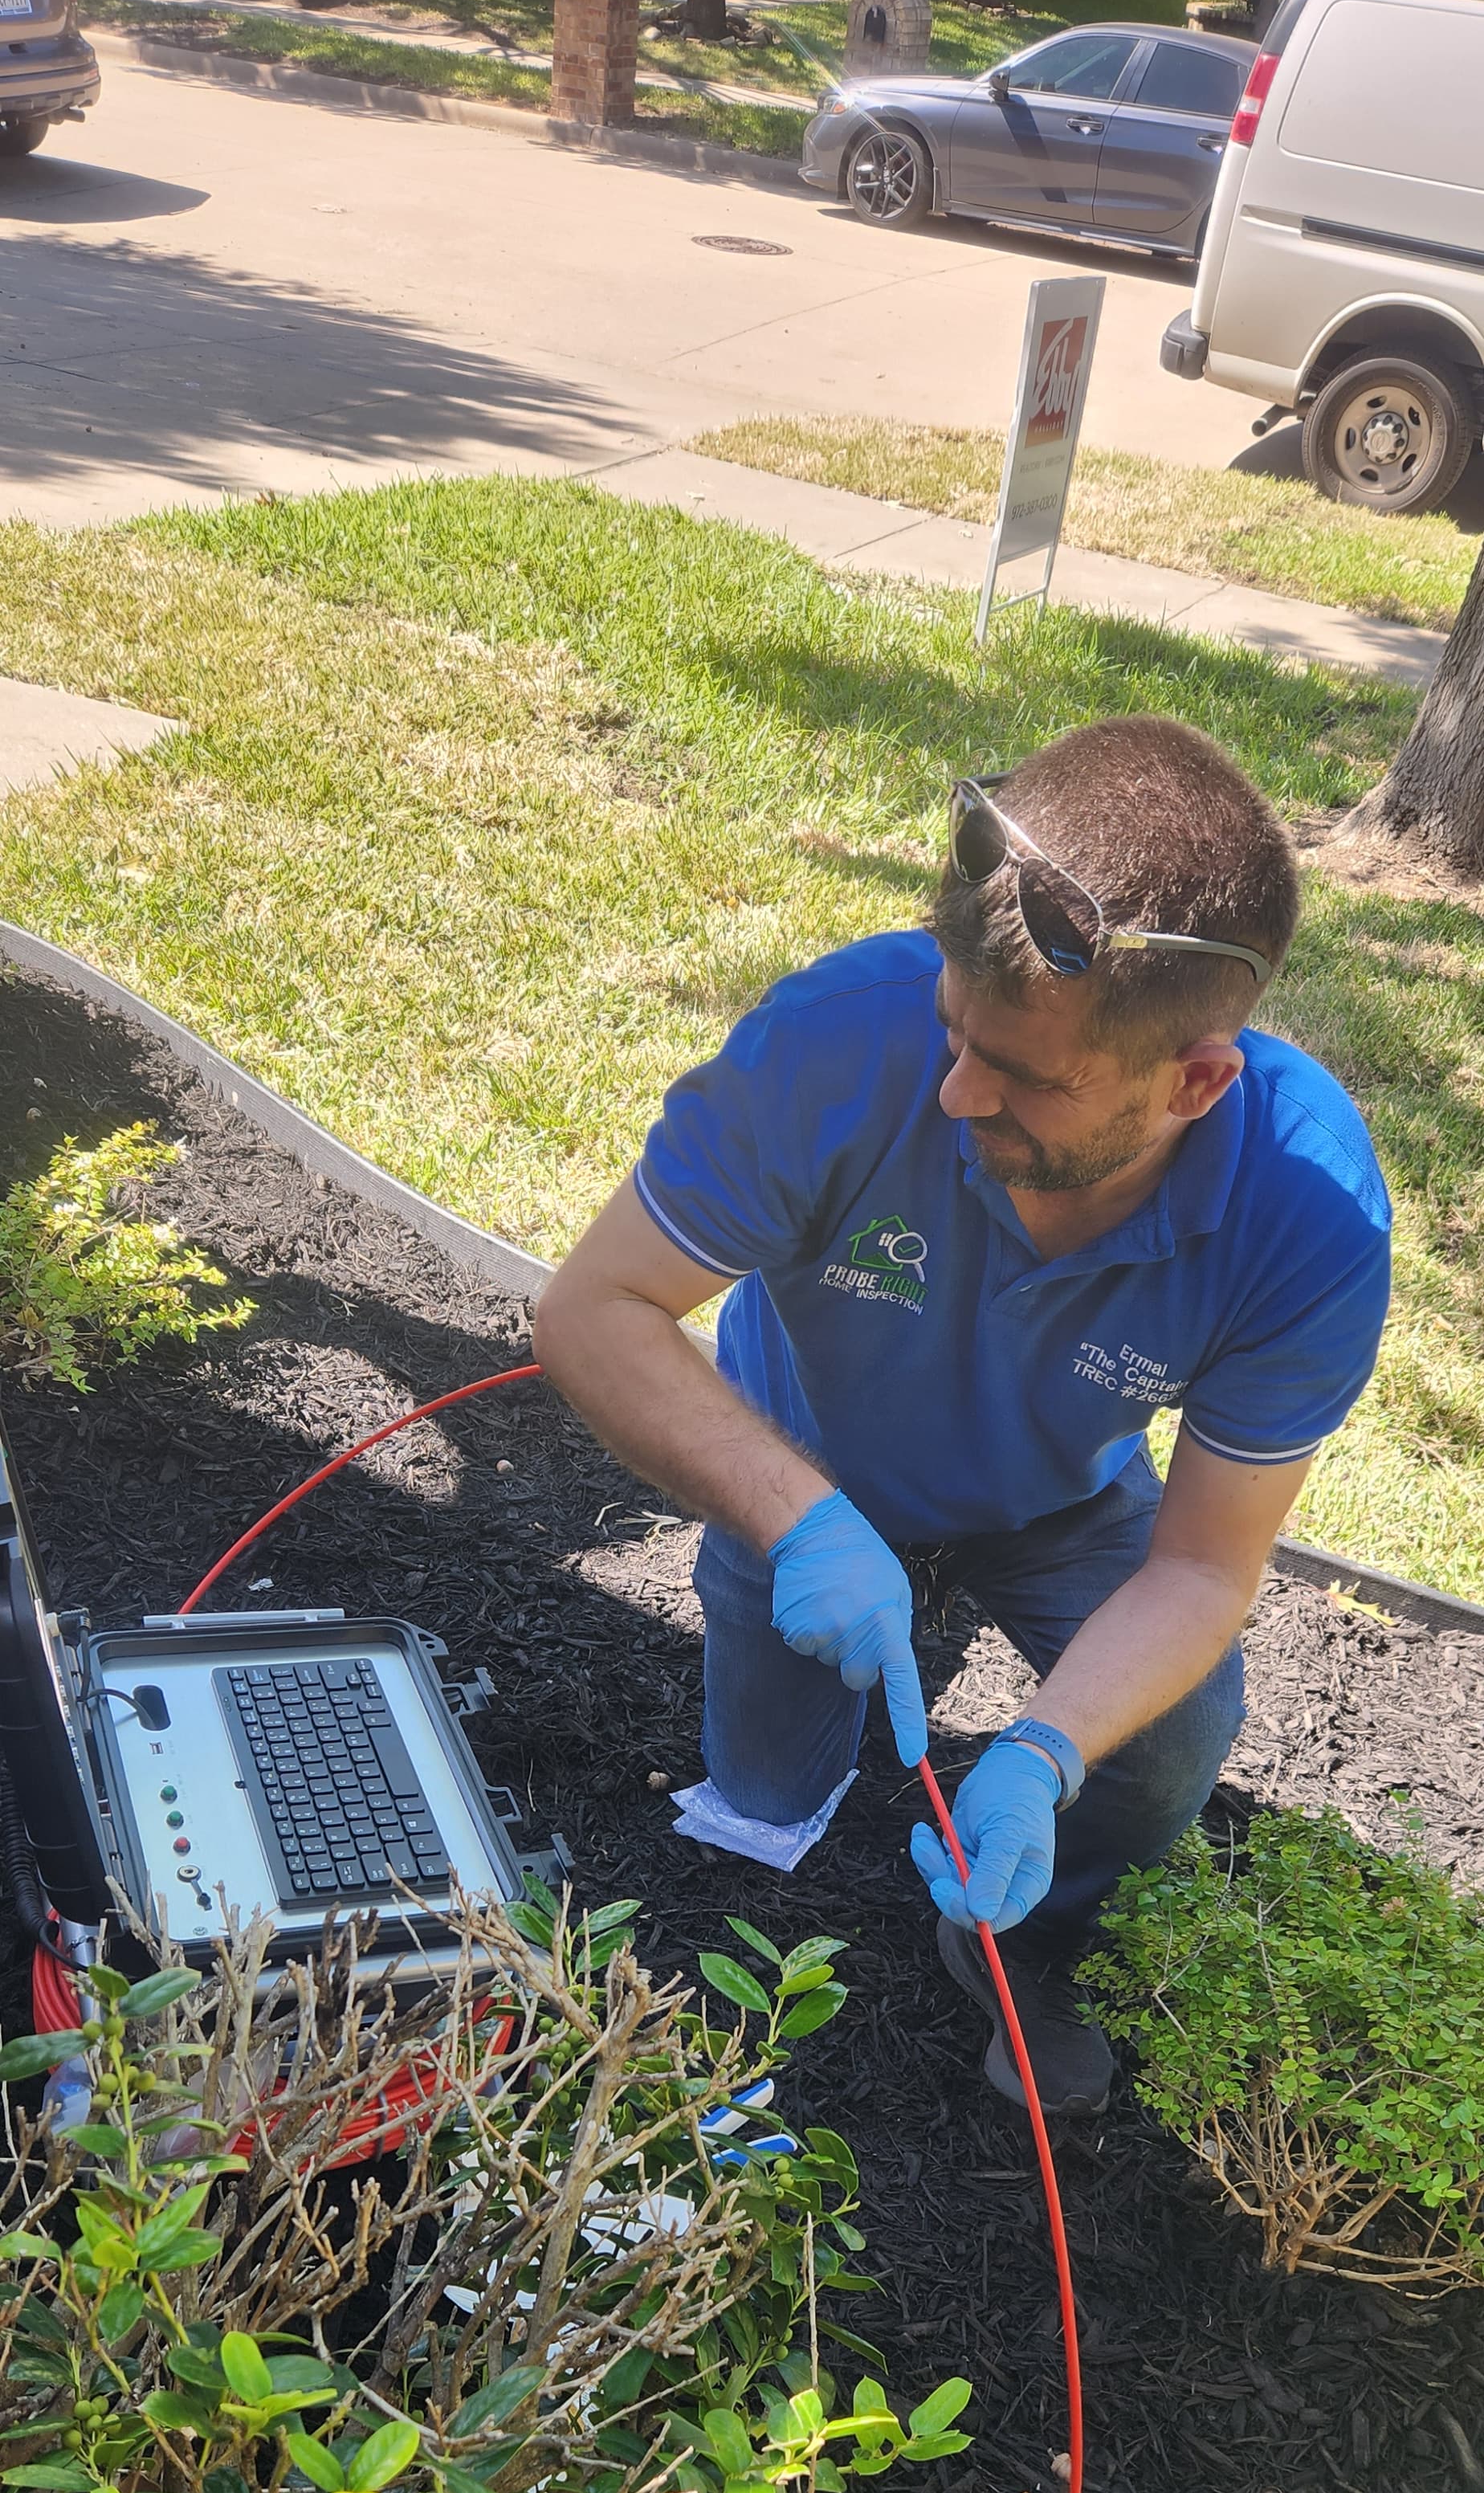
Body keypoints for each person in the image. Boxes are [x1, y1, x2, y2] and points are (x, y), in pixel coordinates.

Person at [534, 716, 1391, 2114]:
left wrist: (1046, 1755)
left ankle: (1015, 1939)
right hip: (801, 1451)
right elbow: (594, 1310)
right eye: (954, 1033)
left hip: (1060, 1497)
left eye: (1031, 1078)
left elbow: (1202, 1568)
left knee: (1168, 1744)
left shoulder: (1312, 1216)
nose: (955, 1093)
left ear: (1197, 1081)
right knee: (760, 1797)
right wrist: (802, 1518)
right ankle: (822, 1636)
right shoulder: (835, 1044)